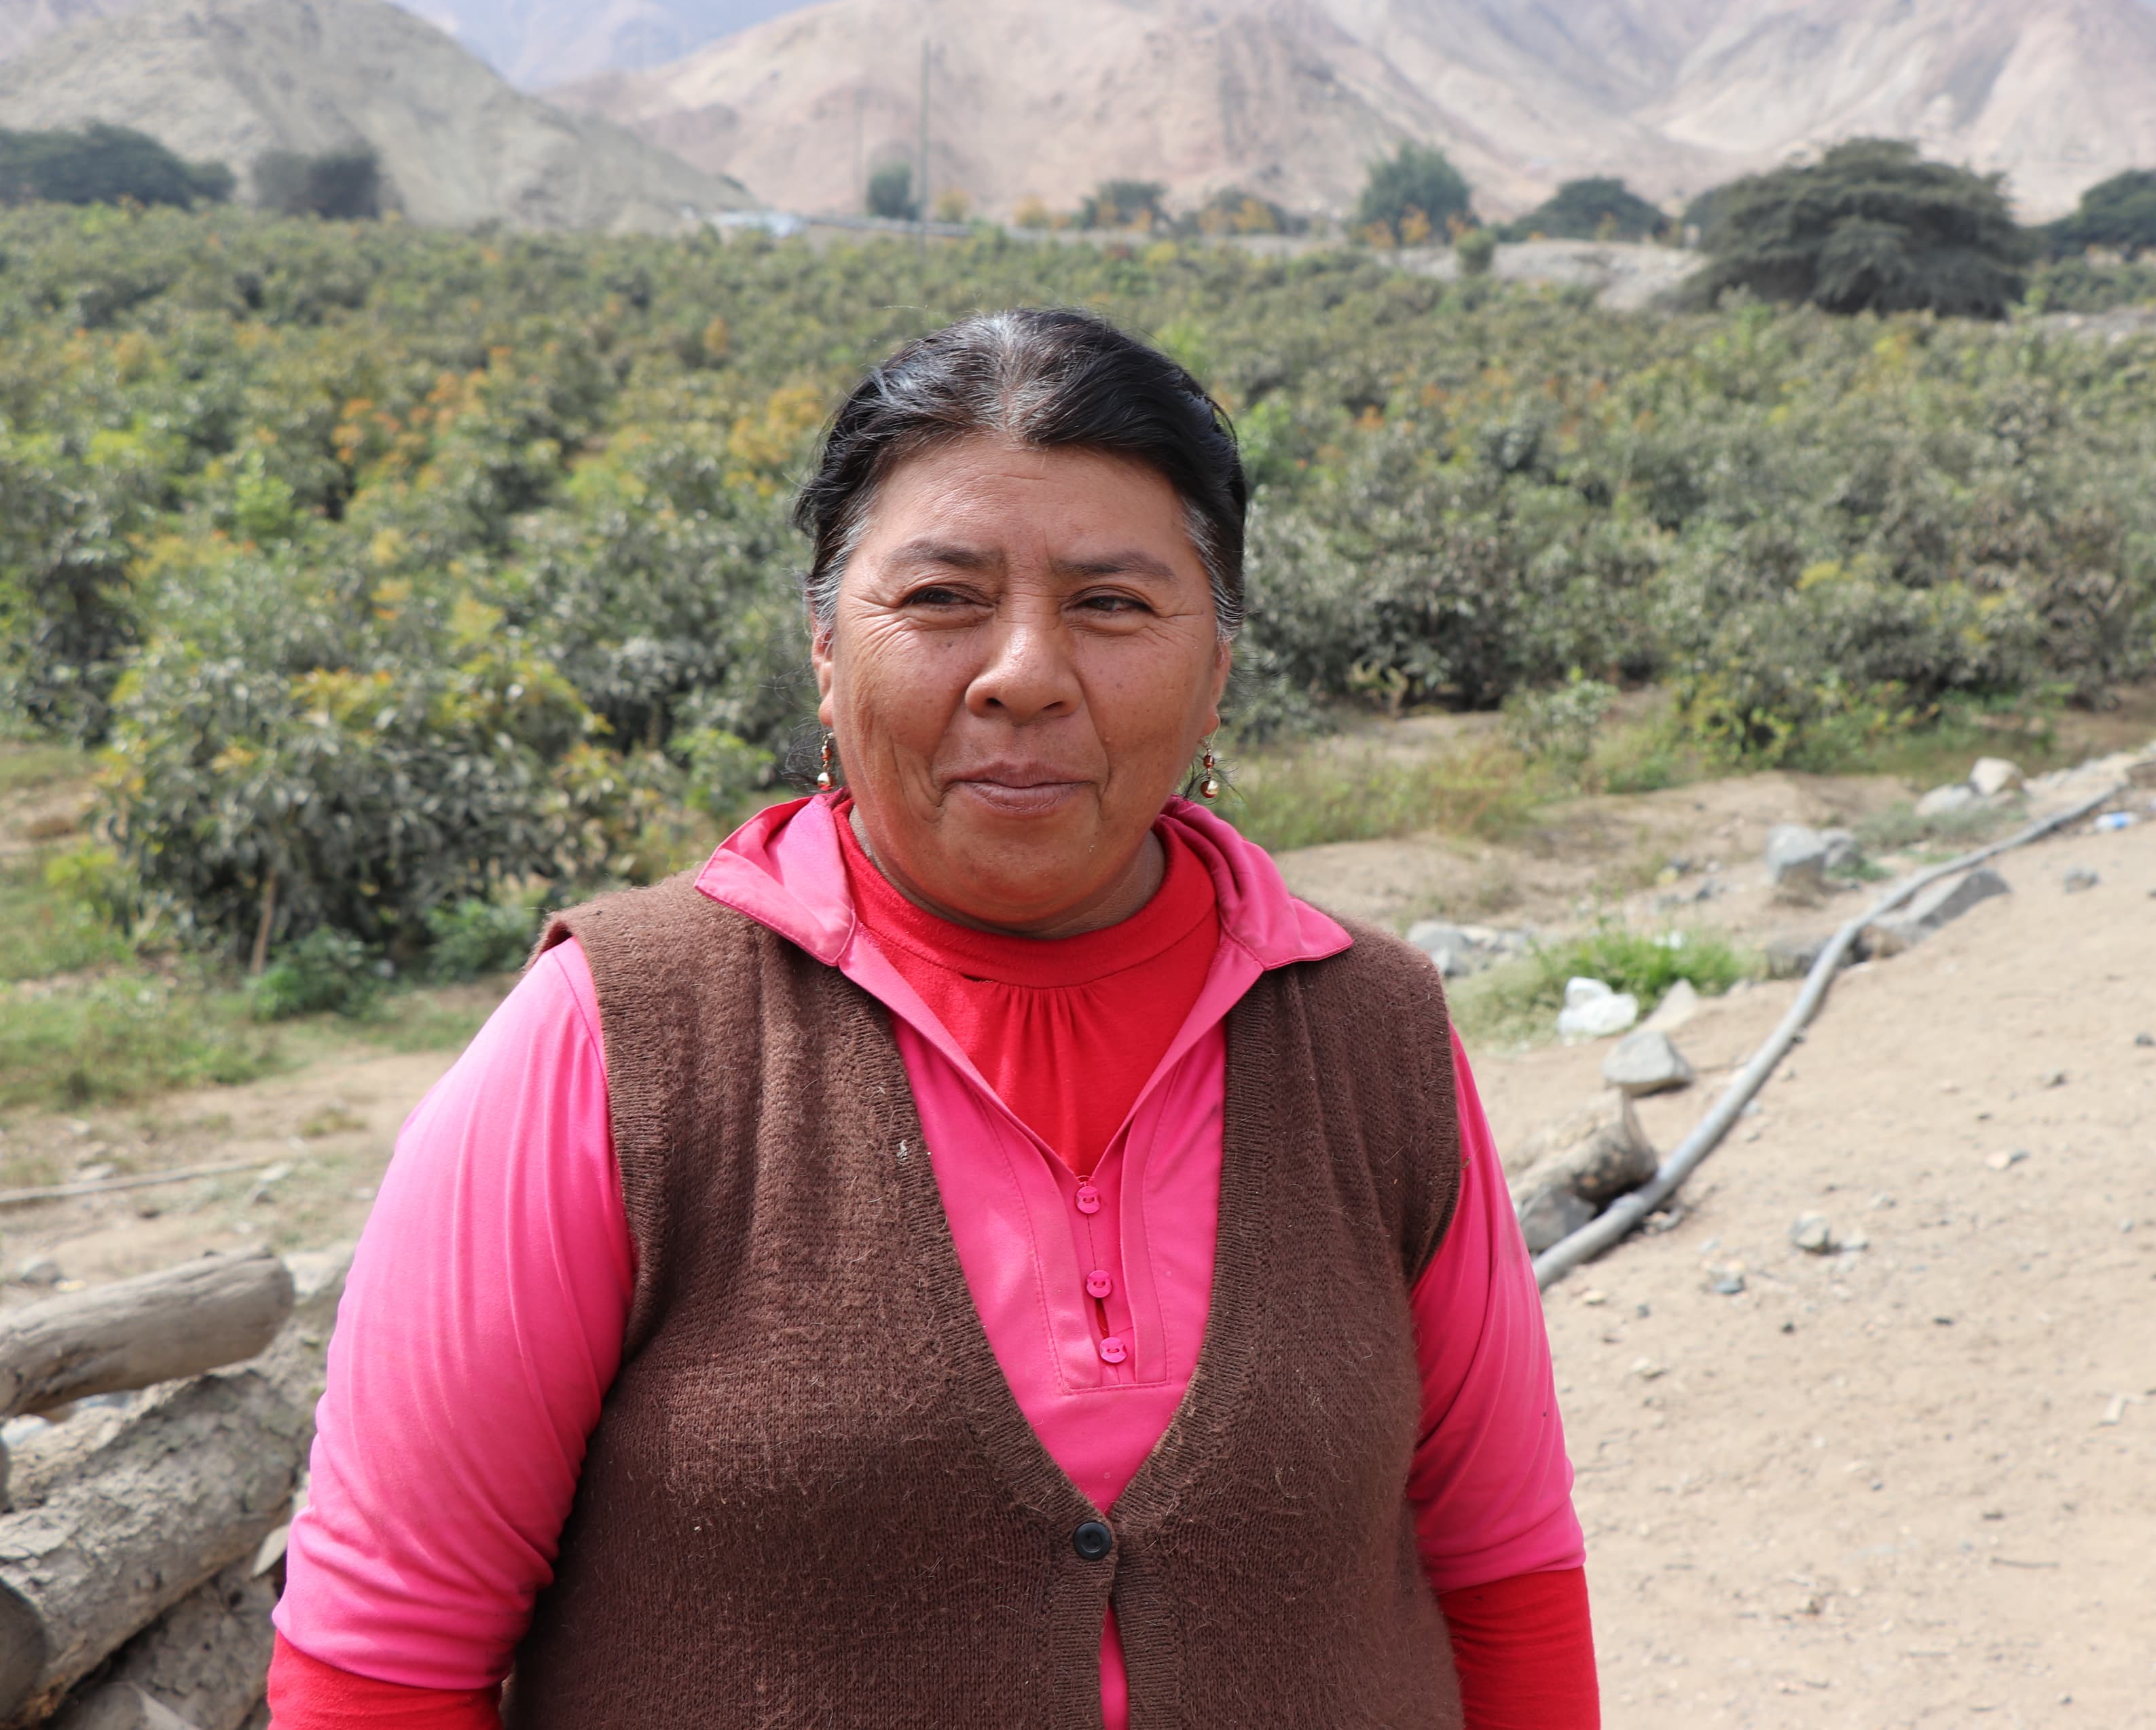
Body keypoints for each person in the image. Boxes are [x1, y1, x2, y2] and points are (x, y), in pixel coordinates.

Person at [265, 309, 1599, 1729]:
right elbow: (382, 1664)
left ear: (1218, 669)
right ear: (827, 651)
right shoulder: (614, 1043)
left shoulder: (1373, 1035)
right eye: (944, 595)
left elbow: (1506, 1572)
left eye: (1112, 604)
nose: (1023, 671)